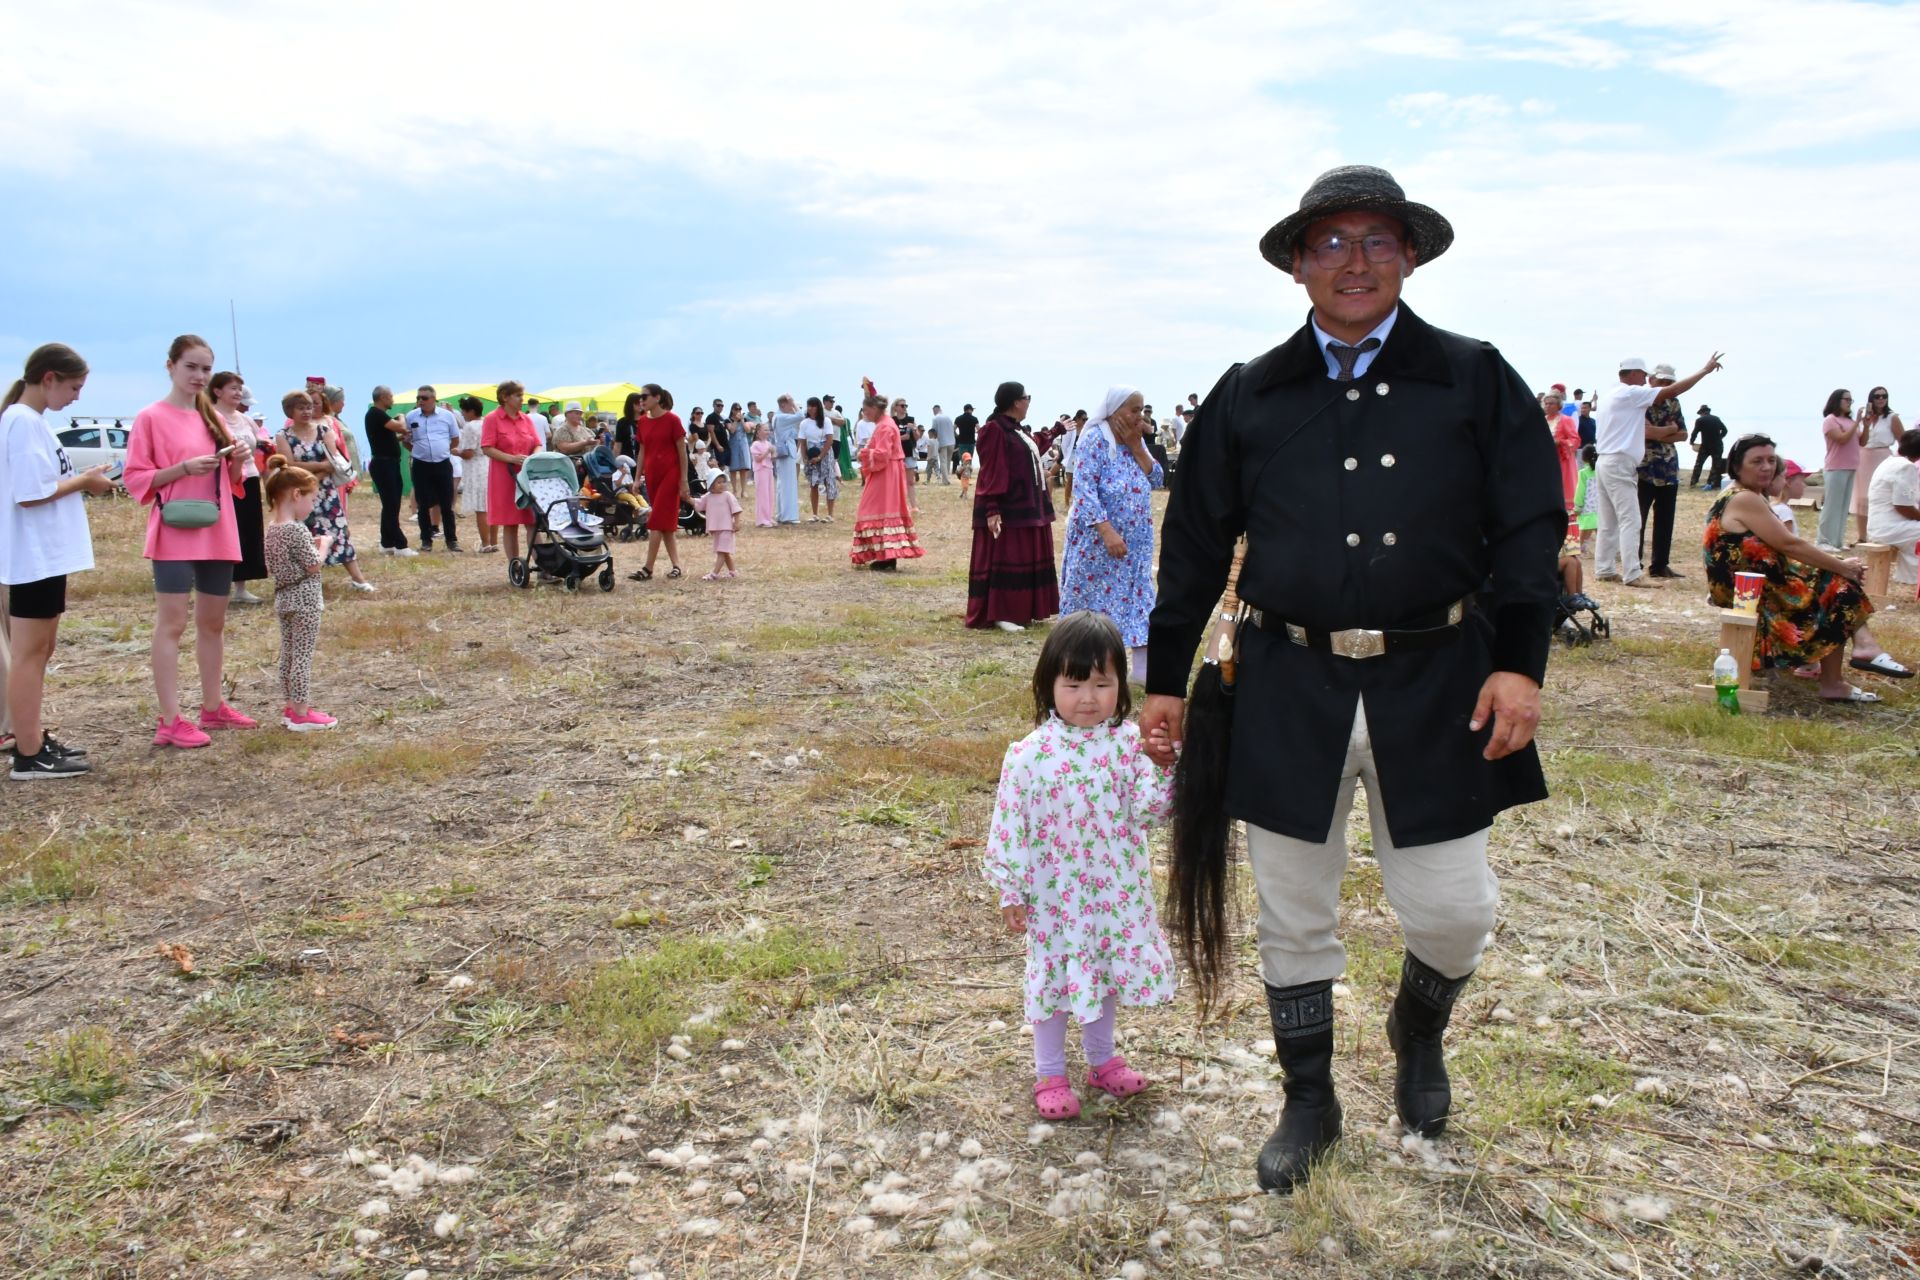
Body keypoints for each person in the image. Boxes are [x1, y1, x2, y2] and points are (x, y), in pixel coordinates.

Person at [1143, 166, 1566, 1194]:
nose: (1355, 261)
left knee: (1454, 908)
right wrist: (1162, 678)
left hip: (1441, 684)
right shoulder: (1251, 392)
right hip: (1288, 684)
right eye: (1331, 243)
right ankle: (1310, 1097)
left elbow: (1526, 526)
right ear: (1297, 265)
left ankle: (1418, 1028)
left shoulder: (1472, 376)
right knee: (1294, 910)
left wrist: (1520, 660)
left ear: (1410, 256)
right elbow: (1195, 542)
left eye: (1377, 240)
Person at [982, 611, 1174, 1119]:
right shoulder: (1029, 756)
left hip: (1113, 891)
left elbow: (1152, 808)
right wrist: (1011, 889)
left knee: (1103, 972)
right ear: (1048, 686)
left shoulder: (1129, 746)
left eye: (1101, 683)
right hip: (1055, 897)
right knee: (1055, 980)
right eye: (1073, 684)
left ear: (1121, 687)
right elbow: (1011, 824)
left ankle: (1102, 1059)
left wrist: (1168, 765)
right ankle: (1049, 1071)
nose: (1088, 697)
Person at [125, 334, 259, 748]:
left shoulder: (212, 418)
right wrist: (181, 468)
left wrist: (235, 463)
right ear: (171, 367)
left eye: (205, 368)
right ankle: (169, 719)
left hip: (217, 529)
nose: (199, 376)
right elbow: (135, 478)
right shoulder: (150, 417)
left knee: (213, 623)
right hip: (174, 531)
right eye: (191, 367)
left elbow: (232, 483)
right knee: (173, 624)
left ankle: (213, 707)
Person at [1705, 434, 1904, 701]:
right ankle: (1846, 667)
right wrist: (1841, 566)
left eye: (1771, 460)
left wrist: (1837, 566)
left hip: (1755, 584)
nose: (1767, 467)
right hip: (1746, 590)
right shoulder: (1744, 498)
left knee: (1834, 579)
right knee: (1838, 584)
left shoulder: (1748, 495)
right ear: (1737, 467)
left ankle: (1858, 653)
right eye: (1757, 461)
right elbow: (1788, 544)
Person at [2, 343, 113, 778]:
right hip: (32, 555)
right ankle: (28, 754)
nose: (77, 397)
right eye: (73, 387)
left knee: (40, 650)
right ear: (48, 378)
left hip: (45, 555)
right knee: (30, 653)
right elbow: (30, 495)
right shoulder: (21, 422)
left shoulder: (33, 423)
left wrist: (81, 480)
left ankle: (32, 738)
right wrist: (85, 481)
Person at [1058, 388, 1161, 681]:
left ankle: (1140, 673)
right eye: (1133, 410)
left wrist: (1138, 447)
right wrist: (1107, 531)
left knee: (1138, 597)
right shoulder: (1093, 439)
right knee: (1089, 601)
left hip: (1135, 545)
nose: (1139, 417)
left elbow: (1157, 479)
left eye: (1141, 410)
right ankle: (1076, 666)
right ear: (1114, 411)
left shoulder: (1134, 440)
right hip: (1098, 543)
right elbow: (1084, 490)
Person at [1595, 353, 1722, 587]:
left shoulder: (1610, 394)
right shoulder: (1629, 393)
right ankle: (1632, 573)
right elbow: (1671, 392)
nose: (1645, 380)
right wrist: (1704, 371)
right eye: (1643, 375)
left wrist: (1660, 431)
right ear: (1633, 374)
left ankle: (1604, 567)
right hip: (1620, 461)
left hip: (1605, 460)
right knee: (1631, 520)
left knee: (1609, 520)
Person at [966, 381, 1058, 631]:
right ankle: (1001, 612)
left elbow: (1032, 448)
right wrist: (992, 507)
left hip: (1026, 505)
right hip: (1008, 507)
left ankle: (1021, 610)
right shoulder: (993, 430)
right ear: (1016, 402)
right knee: (1008, 556)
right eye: (1027, 397)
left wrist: (1056, 431)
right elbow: (991, 469)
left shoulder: (1016, 430)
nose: (1029, 402)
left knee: (1025, 555)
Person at [260, 455, 336, 731]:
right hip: (304, 600)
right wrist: (324, 544)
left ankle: (291, 705)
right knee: (302, 655)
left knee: (289, 654)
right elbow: (313, 564)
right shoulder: (296, 529)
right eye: (311, 498)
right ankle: (301, 711)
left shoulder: (272, 528)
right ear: (296, 494)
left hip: (283, 598)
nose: (312, 504)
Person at [279, 390, 373, 590]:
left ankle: (359, 580)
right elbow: (289, 465)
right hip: (299, 495)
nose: (306, 411)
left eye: (309, 407)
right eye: (301, 408)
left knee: (339, 532)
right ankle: (303, 581)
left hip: (325, 493)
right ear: (290, 411)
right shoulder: (283, 435)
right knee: (303, 536)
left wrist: (311, 474)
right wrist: (318, 468)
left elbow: (332, 462)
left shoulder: (324, 430)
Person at [849, 385, 924, 571]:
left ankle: (885, 555)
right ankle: (886, 555)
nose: (865, 414)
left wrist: (864, 455)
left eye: (866, 410)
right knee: (883, 510)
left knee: (873, 509)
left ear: (874, 409)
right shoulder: (886, 424)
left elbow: (882, 454)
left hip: (886, 472)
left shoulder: (884, 427)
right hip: (889, 471)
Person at [211, 371, 269, 604]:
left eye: (239, 389)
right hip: (224, 481)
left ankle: (241, 586)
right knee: (226, 531)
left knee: (248, 531)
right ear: (217, 391)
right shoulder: (212, 416)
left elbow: (261, 443)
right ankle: (218, 585)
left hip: (250, 477)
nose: (238, 393)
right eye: (233, 388)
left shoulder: (244, 419)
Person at [480, 380, 542, 569]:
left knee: (532, 520)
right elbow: (487, 448)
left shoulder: (526, 419)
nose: (521, 399)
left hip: (526, 476)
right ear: (505, 397)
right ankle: (515, 566)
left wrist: (534, 457)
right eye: (517, 396)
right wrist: (511, 458)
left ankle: (543, 566)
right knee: (511, 523)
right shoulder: (492, 418)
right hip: (505, 477)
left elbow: (537, 443)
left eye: (522, 395)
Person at [630, 383, 688, 580]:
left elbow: (682, 452)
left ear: (657, 398)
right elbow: (642, 451)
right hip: (653, 476)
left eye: (644, 397)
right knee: (665, 524)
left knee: (656, 521)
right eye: (640, 398)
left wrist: (684, 479)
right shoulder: (643, 422)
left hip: (670, 474)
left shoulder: (673, 420)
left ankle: (647, 568)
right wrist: (637, 478)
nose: (641, 401)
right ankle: (677, 566)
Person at [1636, 363, 1688, 579]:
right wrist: (1669, 430)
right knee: (1637, 517)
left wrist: (1658, 433)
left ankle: (1659, 565)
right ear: (1652, 380)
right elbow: (1644, 433)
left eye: (1669, 382)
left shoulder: (1673, 402)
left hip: (1668, 468)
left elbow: (1684, 434)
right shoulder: (1640, 401)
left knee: (1665, 519)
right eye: (1662, 381)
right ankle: (1634, 562)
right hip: (1643, 466)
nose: (1666, 386)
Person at [405, 385, 462, 552]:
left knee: (447, 503)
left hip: (442, 463)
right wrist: (418, 451)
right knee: (423, 504)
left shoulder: (447, 416)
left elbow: (455, 439)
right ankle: (426, 539)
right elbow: (406, 441)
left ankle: (451, 540)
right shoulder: (411, 416)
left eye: (424, 398)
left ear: (433, 399)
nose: (420, 401)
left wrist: (442, 450)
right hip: (421, 464)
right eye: (418, 398)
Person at [1865, 431, 1920, 587]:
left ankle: (1910, 577)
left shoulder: (1889, 461)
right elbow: (1903, 507)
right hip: (1890, 528)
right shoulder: (1906, 467)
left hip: (1881, 525)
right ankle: (1913, 578)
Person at [364, 385, 413, 556]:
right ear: (383, 397)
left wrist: (400, 438)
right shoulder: (376, 414)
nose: (392, 400)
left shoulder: (378, 416)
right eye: (391, 397)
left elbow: (390, 437)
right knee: (391, 505)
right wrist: (402, 417)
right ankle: (401, 545)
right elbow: (400, 427)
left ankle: (387, 542)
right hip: (383, 465)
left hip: (389, 464)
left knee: (391, 505)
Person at [1855, 387, 1905, 545]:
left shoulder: (1892, 417)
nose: (1881, 399)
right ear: (1871, 399)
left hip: (1882, 456)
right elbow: (1859, 437)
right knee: (1861, 498)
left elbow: (1903, 441)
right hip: (1864, 456)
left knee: (1882, 496)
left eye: (1884, 396)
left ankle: (1883, 533)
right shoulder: (1865, 416)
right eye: (1877, 396)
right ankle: (1862, 536)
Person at [1817, 390, 1863, 549]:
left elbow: (1862, 441)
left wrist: (1866, 425)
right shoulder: (1831, 420)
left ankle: (1836, 541)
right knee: (1832, 506)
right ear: (1837, 400)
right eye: (1846, 399)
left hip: (1851, 466)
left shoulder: (1849, 421)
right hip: (1836, 467)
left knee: (1843, 508)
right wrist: (1857, 422)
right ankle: (1824, 541)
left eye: (1851, 399)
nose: (1850, 402)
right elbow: (1842, 439)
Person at [456, 395, 494, 552]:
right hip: (490, 463)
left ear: (471, 411)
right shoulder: (487, 422)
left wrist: (456, 452)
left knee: (481, 508)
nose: (463, 414)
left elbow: (469, 453)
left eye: (464, 411)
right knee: (491, 505)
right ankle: (494, 541)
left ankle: (485, 544)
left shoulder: (470, 426)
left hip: (477, 467)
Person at [692, 472, 743, 580]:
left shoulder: (728, 495)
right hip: (716, 529)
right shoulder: (708, 497)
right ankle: (733, 571)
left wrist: (737, 522)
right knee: (724, 552)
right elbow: (699, 503)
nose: (722, 484)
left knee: (721, 551)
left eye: (723, 482)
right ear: (711, 485)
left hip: (727, 528)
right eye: (718, 482)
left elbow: (736, 509)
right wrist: (687, 499)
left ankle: (714, 574)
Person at [800, 396, 839, 522]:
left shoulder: (826, 421)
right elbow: (802, 441)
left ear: (818, 407)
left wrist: (821, 456)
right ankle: (815, 514)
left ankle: (830, 514)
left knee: (829, 482)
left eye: (813, 406)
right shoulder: (804, 423)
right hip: (811, 453)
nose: (810, 408)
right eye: (809, 406)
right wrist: (805, 457)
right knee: (813, 484)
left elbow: (829, 440)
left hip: (825, 452)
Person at [1543, 391, 1580, 516]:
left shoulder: (1566, 420)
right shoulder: (1542, 421)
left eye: (1551, 404)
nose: (1548, 406)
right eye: (1546, 404)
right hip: (1546, 460)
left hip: (1562, 460)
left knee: (1563, 488)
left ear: (1559, 405)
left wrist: (1560, 442)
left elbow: (1575, 440)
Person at [769, 396, 804, 524]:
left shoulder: (777, 417)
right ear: (784, 405)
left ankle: (782, 513)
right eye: (790, 404)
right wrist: (794, 403)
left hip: (783, 450)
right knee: (788, 485)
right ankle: (789, 516)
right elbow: (800, 416)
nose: (792, 407)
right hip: (787, 451)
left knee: (782, 485)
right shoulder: (782, 417)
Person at [1690, 404, 1728, 490]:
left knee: (1699, 464)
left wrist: (1692, 441)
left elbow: (1695, 432)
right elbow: (1725, 430)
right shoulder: (1716, 419)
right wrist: (1719, 437)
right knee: (1715, 465)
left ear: (1702, 413)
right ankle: (1711, 483)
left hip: (1705, 446)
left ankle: (1693, 482)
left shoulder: (1700, 420)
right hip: (1718, 446)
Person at [1058, 409, 1088, 513]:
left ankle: (1078, 502)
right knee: (1070, 480)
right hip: (1071, 455)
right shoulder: (1071, 428)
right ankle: (1066, 502)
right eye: (1084, 419)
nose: (1085, 421)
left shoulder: (1085, 429)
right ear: (1078, 418)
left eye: (1086, 419)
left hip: (1081, 456)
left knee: (1080, 480)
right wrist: (1068, 458)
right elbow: (1064, 444)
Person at [1574, 444, 1599, 557]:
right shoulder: (1601, 471)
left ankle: (1580, 549)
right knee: (1601, 532)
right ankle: (1604, 552)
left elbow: (1580, 491)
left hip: (1587, 508)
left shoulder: (1583, 473)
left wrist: (1578, 506)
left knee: (1584, 532)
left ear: (1583, 458)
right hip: (1600, 508)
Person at [750, 423, 776, 527]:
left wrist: (773, 453)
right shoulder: (755, 444)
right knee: (762, 494)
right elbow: (757, 459)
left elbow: (772, 457)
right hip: (760, 470)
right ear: (758, 432)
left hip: (769, 469)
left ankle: (768, 517)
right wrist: (767, 452)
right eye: (765, 430)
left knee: (769, 493)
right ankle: (762, 519)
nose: (767, 432)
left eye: (768, 430)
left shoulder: (768, 443)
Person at [825, 394, 855, 483]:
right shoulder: (822, 411)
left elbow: (842, 422)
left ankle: (835, 477)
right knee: (826, 459)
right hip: (825, 439)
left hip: (836, 439)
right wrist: (835, 421)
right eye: (831, 401)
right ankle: (827, 478)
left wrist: (830, 419)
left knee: (835, 459)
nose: (832, 403)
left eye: (833, 401)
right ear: (825, 402)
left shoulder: (836, 412)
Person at [726, 403, 753, 494]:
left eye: (739, 409)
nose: (738, 411)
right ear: (732, 410)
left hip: (743, 445)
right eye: (736, 409)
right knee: (733, 469)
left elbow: (748, 430)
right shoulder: (728, 420)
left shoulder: (744, 419)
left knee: (743, 469)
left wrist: (741, 420)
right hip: (733, 445)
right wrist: (736, 421)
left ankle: (743, 491)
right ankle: (734, 490)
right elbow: (732, 430)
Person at [929, 404, 955, 484]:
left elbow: (933, 432)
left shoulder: (935, 418)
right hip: (952, 442)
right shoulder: (948, 417)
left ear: (935, 410)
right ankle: (946, 479)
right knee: (948, 461)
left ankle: (945, 480)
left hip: (942, 442)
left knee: (943, 461)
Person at [954, 403, 978, 469]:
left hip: (962, 442)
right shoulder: (974, 419)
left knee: (963, 459)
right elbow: (979, 429)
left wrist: (957, 436)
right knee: (969, 459)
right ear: (970, 410)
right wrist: (976, 432)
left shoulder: (958, 418)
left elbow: (953, 430)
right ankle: (968, 473)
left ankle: (964, 473)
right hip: (971, 442)